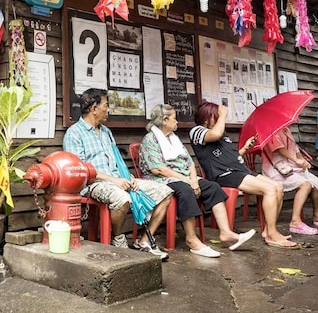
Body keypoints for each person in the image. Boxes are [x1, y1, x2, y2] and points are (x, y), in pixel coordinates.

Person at [63, 89, 173, 259]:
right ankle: (118, 238)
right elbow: (81, 169)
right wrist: (113, 180)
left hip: (117, 179)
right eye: (106, 106)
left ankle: (144, 240)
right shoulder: (74, 133)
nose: (108, 110)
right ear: (94, 108)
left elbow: (117, 162)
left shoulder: (106, 132)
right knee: (122, 198)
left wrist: (129, 178)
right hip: (94, 184)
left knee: (165, 192)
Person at [140, 104, 256, 258]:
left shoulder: (174, 139)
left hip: (183, 177)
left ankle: (226, 233)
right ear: (164, 120)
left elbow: (189, 163)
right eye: (174, 119)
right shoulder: (151, 139)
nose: (177, 122)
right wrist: (188, 181)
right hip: (162, 179)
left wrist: (193, 179)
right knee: (185, 190)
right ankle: (191, 239)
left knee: (212, 187)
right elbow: (159, 169)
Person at [190, 102, 305, 248]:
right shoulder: (196, 131)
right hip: (225, 174)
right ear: (207, 118)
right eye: (216, 116)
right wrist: (224, 116)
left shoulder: (222, 135)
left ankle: (268, 230)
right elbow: (215, 134)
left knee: (278, 187)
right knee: (269, 190)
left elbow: (230, 156)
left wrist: (244, 149)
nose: (220, 118)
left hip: (238, 170)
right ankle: (272, 235)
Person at [261, 127, 318, 235]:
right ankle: (295, 221)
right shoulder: (269, 129)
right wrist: (296, 160)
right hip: (276, 169)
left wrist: (302, 160)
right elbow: (278, 148)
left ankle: (317, 215)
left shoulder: (285, 130)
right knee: (305, 185)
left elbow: (295, 150)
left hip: (291, 167)